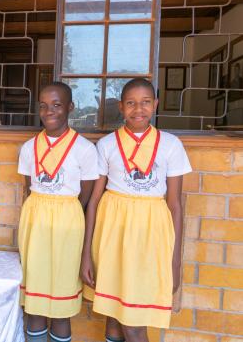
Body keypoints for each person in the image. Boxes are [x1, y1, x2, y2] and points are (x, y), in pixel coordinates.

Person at [81, 78, 191, 342]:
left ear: (155, 104)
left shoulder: (171, 144)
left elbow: (175, 205)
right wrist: (86, 254)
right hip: (112, 234)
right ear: (121, 107)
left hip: (150, 237)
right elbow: (94, 200)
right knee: (113, 317)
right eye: (130, 103)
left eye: (145, 102)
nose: (138, 109)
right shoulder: (107, 144)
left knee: (134, 322)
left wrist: (174, 262)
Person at [18, 82, 99, 342]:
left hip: (68, 222)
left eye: (57, 105)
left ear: (70, 108)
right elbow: (28, 188)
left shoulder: (85, 149)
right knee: (35, 305)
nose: (49, 111)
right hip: (36, 220)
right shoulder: (29, 147)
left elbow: (85, 195)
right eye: (43, 106)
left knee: (61, 308)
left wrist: (63, 209)